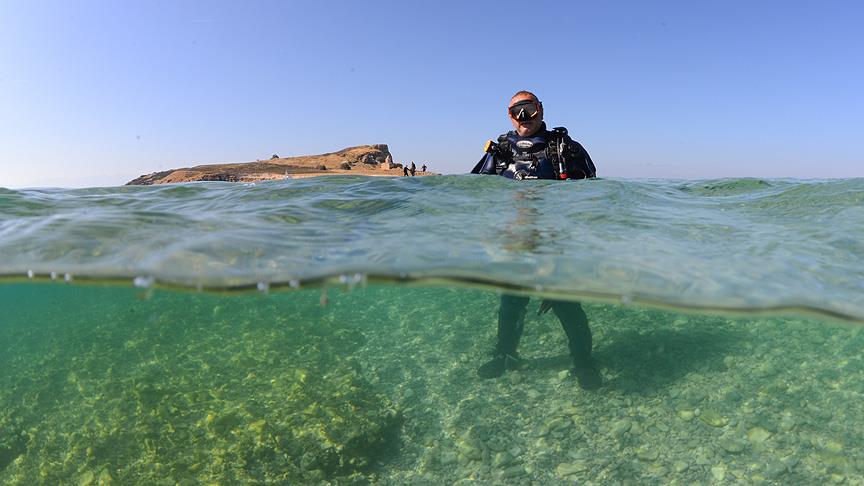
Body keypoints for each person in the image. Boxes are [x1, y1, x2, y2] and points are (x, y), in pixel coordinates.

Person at [471, 90, 601, 390]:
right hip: (516, 243)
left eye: (529, 109)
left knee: (568, 307)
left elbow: (593, 194)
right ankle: (505, 355)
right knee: (511, 305)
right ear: (509, 115)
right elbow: (476, 192)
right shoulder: (500, 151)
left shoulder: (564, 148)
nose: (524, 118)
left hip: (555, 245)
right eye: (517, 112)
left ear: (540, 109)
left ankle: (584, 362)